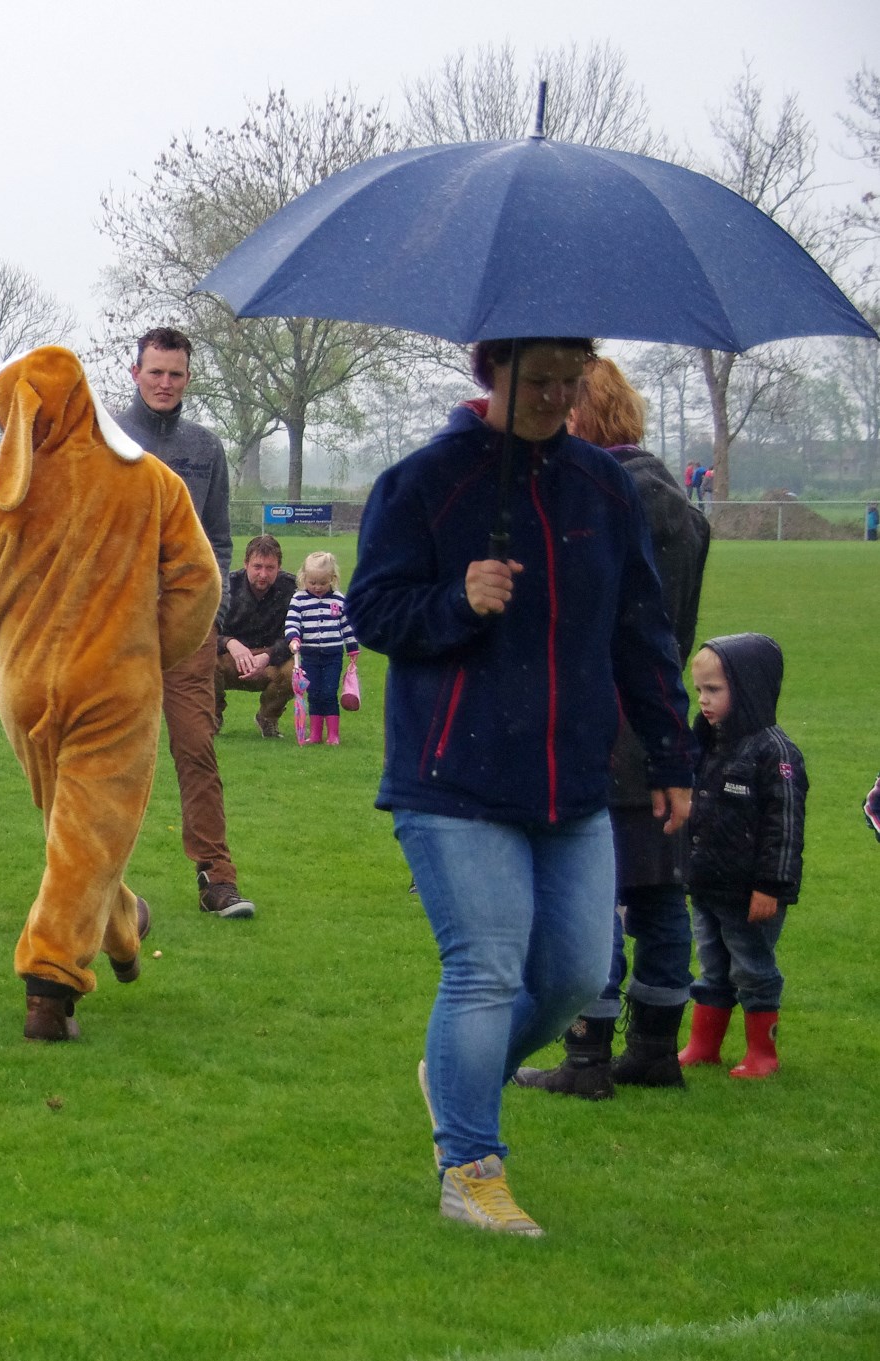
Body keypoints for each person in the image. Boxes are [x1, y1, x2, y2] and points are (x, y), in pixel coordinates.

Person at [350, 336, 695, 1236]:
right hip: (452, 775)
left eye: (568, 382)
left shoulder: (602, 486)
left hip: (572, 780)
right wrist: (457, 600)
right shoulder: (424, 481)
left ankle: (457, 1071)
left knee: (578, 971)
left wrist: (670, 753)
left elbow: (642, 629)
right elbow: (372, 611)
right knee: (486, 969)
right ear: (489, 372)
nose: (554, 397)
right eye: (536, 380)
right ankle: (470, 1168)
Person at [0, 347, 218, 1042]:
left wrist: (29, 630)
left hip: (23, 688)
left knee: (74, 832)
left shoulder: (0, 500)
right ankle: (49, 982)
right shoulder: (152, 481)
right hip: (113, 688)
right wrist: (147, 650)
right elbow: (200, 582)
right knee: (86, 831)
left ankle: (124, 926)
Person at [516, 358, 711, 1099]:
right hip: (662, 720)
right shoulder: (683, 510)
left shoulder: (598, 498)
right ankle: (657, 1046)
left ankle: (588, 1054)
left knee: (589, 895)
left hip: (601, 719)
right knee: (661, 893)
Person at [112, 328, 253, 919]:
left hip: (188, 628)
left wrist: (212, 613)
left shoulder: (205, 448)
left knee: (196, 749)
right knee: (109, 758)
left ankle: (216, 877)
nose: (165, 383)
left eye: (176, 374)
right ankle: (95, 882)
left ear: (188, 378)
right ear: (136, 372)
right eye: (156, 372)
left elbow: (218, 541)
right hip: (116, 629)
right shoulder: (107, 439)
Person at [675, 634, 807, 1080]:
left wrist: (770, 887)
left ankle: (762, 1054)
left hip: (751, 893)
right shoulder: (707, 743)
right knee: (711, 965)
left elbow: (784, 830)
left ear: (747, 688)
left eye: (714, 690)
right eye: (699, 690)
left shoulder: (776, 754)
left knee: (752, 969)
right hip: (707, 885)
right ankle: (704, 1045)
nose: (703, 701)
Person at [214, 534, 297, 739]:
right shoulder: (226, 587)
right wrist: (229, 642)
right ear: (245, 564)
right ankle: (212, 716)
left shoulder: (292, 590)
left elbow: (297, 636)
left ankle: (268, 717)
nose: (263, 574)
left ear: (279, 567)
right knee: (201, 660)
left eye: (270, 568)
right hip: (230, 661)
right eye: (257, 566)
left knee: (299, 669)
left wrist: (268, 655)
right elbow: (202, 632)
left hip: (270, 664)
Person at [283, 550, 361, 747]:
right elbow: (292, 622)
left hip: (333, 654)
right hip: (309, 655)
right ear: (304, 578)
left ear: (332, 579)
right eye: (312, 582)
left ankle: (333, 734)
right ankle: (316, 733)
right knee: (314, 693)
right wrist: (293, 638)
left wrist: (352, 648)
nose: (317, 587)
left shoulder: (338, 600)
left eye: (322, 583)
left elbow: (347, 625)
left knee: (329, 692)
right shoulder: (299, 600)